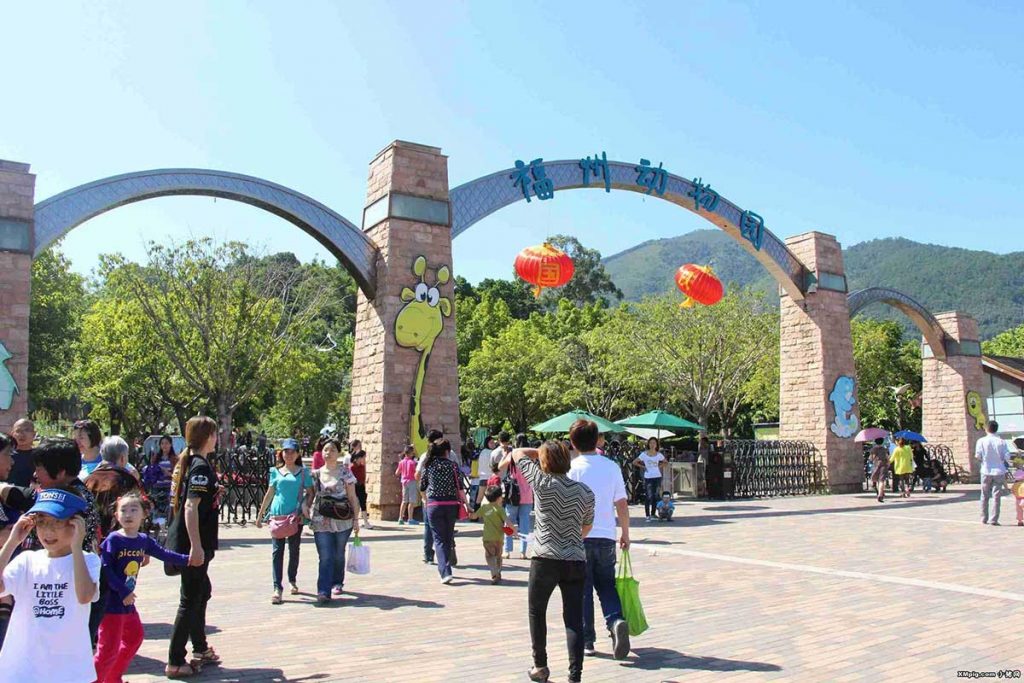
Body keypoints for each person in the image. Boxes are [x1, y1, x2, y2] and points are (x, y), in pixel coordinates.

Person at [510, 441, 595, 683]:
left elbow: (516, 454)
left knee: (537, 612)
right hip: (575, 559)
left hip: (545, 557)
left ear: (545, 462)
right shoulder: (585, 492)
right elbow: (587, 525)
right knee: (574, 618)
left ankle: (541, 666)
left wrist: (540, 452)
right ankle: (575, 675)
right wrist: (572, 540)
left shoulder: (541, 482)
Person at [0, 489, 100, 682]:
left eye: (57, 523)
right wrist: (12, 542)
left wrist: (76, 547)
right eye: (42, 522)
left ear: (76, 524)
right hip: (23, 668)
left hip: (67, 670)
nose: (48, 531)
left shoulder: (88, 561)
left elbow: (85, 596)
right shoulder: (27, 560)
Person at [95, 491, 189, 683]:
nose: (128, 514)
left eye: (133, 509)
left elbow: (164, 554)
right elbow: (104, 569)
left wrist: (189, 560)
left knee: (134, 638)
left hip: (126, 603)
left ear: (144, 514)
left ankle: (112, 678)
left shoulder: (142, 540)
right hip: (110, 604)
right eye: (123, 510)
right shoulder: (113, 539)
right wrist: (123, 591)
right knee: (107, 650)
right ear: (116, 515)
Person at [567, 419, 632, 661]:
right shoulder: (611, 467)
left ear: (573, 442)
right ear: (597, 440)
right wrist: (625, 533)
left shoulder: (571, 469)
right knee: (607, 585)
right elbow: (622, 503)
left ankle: (587, 641)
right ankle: (616, 621)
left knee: (582, 590)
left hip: (579, 537)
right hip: (606, 536)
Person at [165, 416, 221, 678]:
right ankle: (176, 660)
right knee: (189, 600)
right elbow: (190, 507)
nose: (217, 437)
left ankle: (200, 647)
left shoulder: (196, 463)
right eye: (215, 433)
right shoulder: (199, 467)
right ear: (207, 436)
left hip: (200, 544)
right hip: (193, 545)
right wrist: (196, 547)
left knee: (201, 592)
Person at [255, 438, 313, 604]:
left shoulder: (303, 473)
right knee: (277, 551)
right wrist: (260, 515)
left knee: (294, 549)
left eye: (292, 451)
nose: (288, 454)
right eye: (286, 451)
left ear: (297, 454)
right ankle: (277, 587)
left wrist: (305, 505)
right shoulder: (275, 471)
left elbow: (310, 492)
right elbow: (270, 492)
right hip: (277, 515)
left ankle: (292, 579)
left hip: (295, 517)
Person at [309, 439, 360, 605]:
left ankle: (337, 581)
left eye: (331, 450)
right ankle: (323, 590)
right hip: (321, 519)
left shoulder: (345, 472)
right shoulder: (316, 473)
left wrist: (356, 520)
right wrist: (304, 507)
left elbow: (353, 497)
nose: (328, 453)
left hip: (342, 519)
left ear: (338, 453)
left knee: (338, 553)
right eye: (325, 450)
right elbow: (310, 496)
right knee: (325, 556)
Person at [419, 439, 467, 583]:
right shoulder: (453, 466)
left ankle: (445, 572)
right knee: (447, 537)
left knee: (439, 539)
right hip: (451, 504)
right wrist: (467, 504)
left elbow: (422, 486)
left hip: (434, 505)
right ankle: (446, 567)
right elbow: (460, 487)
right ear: (447, 451)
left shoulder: (429, 466)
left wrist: (425, 500)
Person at [498, 445, 535, 560]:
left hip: (512, 494)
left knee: (508, 521)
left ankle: (507, 550)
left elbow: (499, 467)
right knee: (525, 524)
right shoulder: (531, 457)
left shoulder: (513, 455)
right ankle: (523, 552)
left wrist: (504, 455)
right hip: (527, 495)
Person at [469, 485, 511, 584]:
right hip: (499, 538)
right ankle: (498, 572)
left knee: (489, 556)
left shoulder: (484, 508)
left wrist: (470, 513)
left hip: (487, 538)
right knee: (498, 556)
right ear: (499, 498)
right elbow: (507, 521)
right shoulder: (500, 509)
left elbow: (474, 516)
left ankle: (494, 572)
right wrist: (513, 530)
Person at [416, 428, 445, 564]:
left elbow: (417, 475)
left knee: (429, 526)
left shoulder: (424, 456)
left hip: (429, 497)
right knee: (444, 526)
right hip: (446, 497)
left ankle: (428, 554)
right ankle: (445, 553)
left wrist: (424, 491)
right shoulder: (449, 455)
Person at [976, 420, 1010, 525]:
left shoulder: (981, 441)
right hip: (999, 470)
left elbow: (978, 456)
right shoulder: (1002, 442)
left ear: (986, 429)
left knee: (984, 495)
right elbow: (1007, 456)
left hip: (986, 469)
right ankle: (994, 519)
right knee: (996, 496)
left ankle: (983, 518)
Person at [633, 437, 667, 522]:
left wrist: (659, 466)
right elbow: (634, 462)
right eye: (651, 443)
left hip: (657, 476)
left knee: (655, 495)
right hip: (648, 477)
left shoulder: (659, 454)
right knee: (648, 496)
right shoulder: (644, 454)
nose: (652, 445)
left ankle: (653, 514)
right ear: (648, 444)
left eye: (654, 443)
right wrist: (643, 467)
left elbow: (665, 462)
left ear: (656, 445)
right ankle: (647, 515)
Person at [349, 441, 373, 530]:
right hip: (354, 486)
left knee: (363, 504)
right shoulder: (352, 467)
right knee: (354, 503)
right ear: (359, 458)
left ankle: (365, 522)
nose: (364, 459)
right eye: (363, 457)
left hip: (361, 486)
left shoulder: (362, 467)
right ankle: (353, 521)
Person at [8, 418, 36, 487]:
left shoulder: (38, 456)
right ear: (12, 434)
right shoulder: (6, 455)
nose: (22, 434)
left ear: (34, 434)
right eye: (18, 431)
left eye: (26, 430)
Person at [395, 445, 419, 525]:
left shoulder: (401, 462)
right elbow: (417, 472)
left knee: (404, 501)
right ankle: (410, 518)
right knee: (412, 501)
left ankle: (400, 518)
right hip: (412, 481)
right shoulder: (413, 463)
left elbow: (397, 473)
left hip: (404, 482)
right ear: (411, 453)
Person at [475, 437, 496, 507]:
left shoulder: (482, 452)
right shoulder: (492, 453)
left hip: (482, 478)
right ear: (487, 443)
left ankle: (475, 516)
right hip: (491, 478)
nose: (493, 444)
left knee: (479, 498)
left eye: (494, 442)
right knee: (493, 498)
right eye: (491, 442)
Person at [869, 438, 890, 503]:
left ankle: (879, 492)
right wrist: (888, 464)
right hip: (883, 465)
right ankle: (880, 495)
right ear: (882, 442)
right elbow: (887, 458)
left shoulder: (873, 449)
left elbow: (871, 458)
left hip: (876, 465)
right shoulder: (885, 449)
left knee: (876, 479)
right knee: (881, 480)